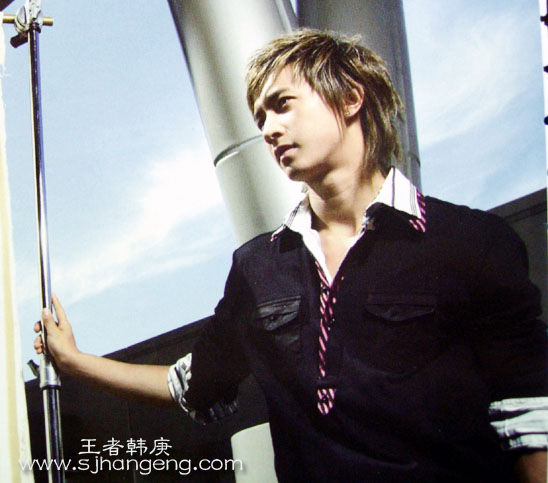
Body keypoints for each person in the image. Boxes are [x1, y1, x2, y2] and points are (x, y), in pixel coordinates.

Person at [35, 29, 547, 482]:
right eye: (260, 117)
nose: (268, 129)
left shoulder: (470, 239)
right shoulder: (257, 267)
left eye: (282, 105)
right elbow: (193, 386)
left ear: (350, 98)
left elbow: (528, 416)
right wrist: (77, 364)